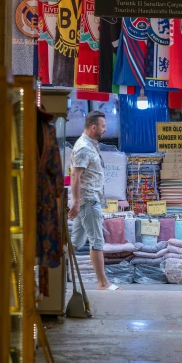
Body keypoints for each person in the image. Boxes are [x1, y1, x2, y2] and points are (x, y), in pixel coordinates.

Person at [68, 110, 121, 291]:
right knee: (97, 241)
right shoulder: (83, 147)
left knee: (75, 242)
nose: (105, 130)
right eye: (103, 126)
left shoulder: (91, 144)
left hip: (88, 200)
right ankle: (103, 282)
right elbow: (75, 176)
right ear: (93, 127)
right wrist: (76, 201)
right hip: (88, 201)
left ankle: (52, 271)